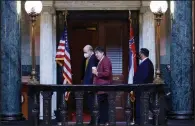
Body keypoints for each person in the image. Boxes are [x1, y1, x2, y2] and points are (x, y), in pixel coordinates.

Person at [133, 48, 154, 124]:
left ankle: (140, 121)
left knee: (142, 105)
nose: (139, 54)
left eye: (140, 53)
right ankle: (140, 121)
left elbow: (145, 76)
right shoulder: (147, 62)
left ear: (142, 54)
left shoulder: (146, 63)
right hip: (142, 88)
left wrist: (138, 85)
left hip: (142, 89)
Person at [92, 46, 112, 126]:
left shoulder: (105, 60)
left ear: (102, 53)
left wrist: (97, 73)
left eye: (97, 53)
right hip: (101, 88)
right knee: (103, 107)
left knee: (102, 107)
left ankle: (103, 122)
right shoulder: (101, 60)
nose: (96, 55)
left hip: (103, 88)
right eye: (95, 53)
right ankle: (104, 122)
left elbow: (107, 73)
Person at [81, 45, 98, 126]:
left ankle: (94, 121)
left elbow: (92, 74)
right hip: (87, 85)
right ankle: (93, 120)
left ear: (91, 51)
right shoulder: (87, 59)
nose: (84, 54)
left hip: (90, 86)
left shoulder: (93, 58)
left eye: (85, 52)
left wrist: (89, 85)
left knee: (92, 104)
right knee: (90, 104)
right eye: (84, 52)